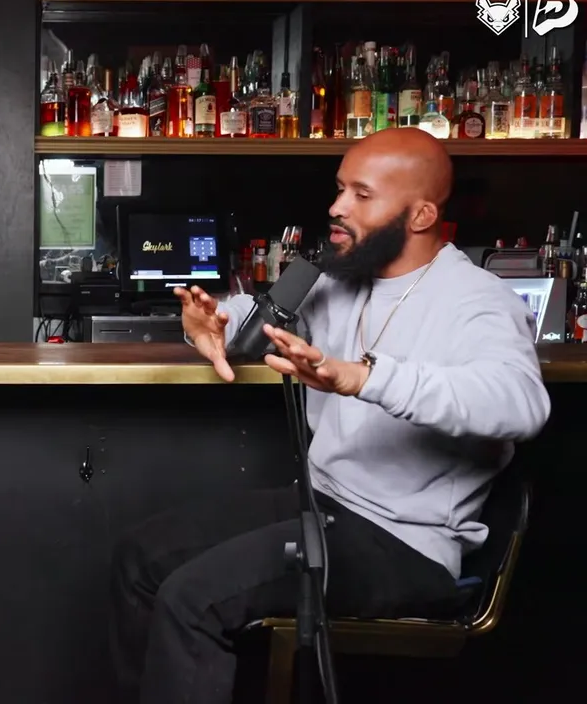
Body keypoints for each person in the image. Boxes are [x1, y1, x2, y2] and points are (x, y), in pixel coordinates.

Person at [109, 127, 551, 703]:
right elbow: (260, 313)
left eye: (362, 195)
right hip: (324, 505)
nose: (337, 207)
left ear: (421, 215)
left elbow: (521, 403)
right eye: (341, 189)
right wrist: (211, 322)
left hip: (406, 543)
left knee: (194, 599)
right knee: (139, 558)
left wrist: (364, 377)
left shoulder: (478, 300)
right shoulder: (342, 280)